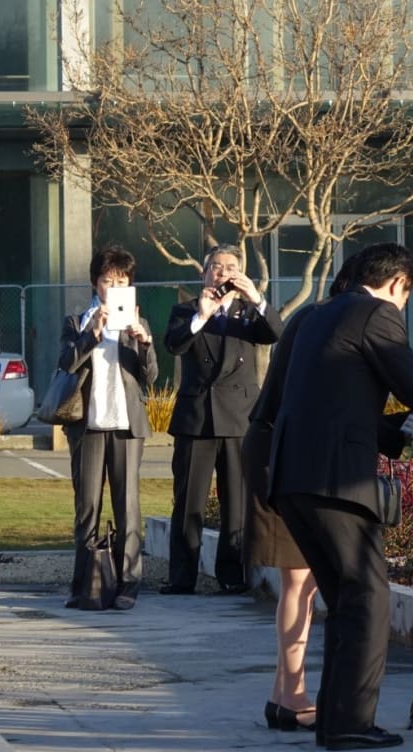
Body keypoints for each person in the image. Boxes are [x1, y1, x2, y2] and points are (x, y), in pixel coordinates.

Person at [269, 242, 413, 750]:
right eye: (408, 297)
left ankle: (336, 724)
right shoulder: (376, 313)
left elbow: (341, 407)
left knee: (347, 600)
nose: (404, 308)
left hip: (294, 477)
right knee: (369, 598)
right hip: (337, 481)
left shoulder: (316, 316)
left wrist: (408, 435)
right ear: (397, 283)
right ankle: (351, 724)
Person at [244, 254, 367, 733]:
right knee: (300, 581)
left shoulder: (308, 319)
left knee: (302, 581)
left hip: (271, 443)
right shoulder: (325, 324)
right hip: (283, 450)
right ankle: (291, 693)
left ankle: (284, 693)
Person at [162, 244, 283, 594]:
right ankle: (181, 578)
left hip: (238, 418)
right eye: (216, 266)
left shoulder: (248, 314)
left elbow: (274, 332)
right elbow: (174, 345)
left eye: (231, 266)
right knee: (188, 501)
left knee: (237, 502)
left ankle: (231, 575)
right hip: (196, 417)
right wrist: (202, 315)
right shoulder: (185, 310)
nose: (223, 272)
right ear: (204, 272)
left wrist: (256, 297)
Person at [60, 244, 158, 611]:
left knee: (127, 506)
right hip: (88, 425)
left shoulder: (138, 323)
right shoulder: (76, 321)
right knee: (87, 506)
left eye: (121, 280)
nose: (113, 285)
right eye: (107, 279)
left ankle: (128, 584)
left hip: (127, 425)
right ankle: (85, 583)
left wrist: (144, 342)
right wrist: (92, 334)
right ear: (94, 283)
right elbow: (66, 365)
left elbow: (150, 376)